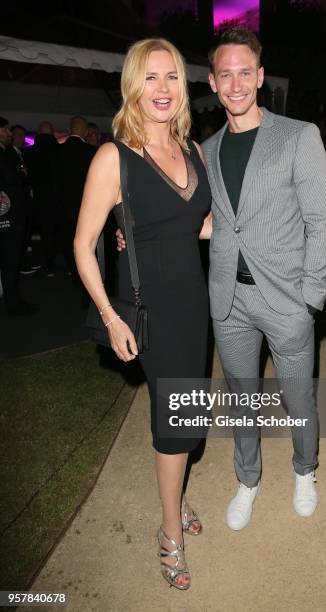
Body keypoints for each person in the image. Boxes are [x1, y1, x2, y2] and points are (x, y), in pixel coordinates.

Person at [116, 27, 326, 526]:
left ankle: (305, 468)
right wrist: (135, 234)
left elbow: (323, 221)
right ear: (212, 83)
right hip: (228, 300)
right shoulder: (203, 151)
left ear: (259, 77)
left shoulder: (299, 136)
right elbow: (195, 220)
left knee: (297, 394)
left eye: (244, 72)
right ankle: (248, 479)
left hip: (287, 301)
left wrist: (312, 298)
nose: (235, 84)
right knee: (241, 398)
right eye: (224, 75)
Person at [74, 38, 212, 590]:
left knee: (188, 414)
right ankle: (169, 533)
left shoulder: (193, 151)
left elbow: (195, 226)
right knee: (176, 422)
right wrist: (111, 317)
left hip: (194, 305)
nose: (162, 89)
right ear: (133, 85)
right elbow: (83, 245)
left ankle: (176, 496)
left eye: (172, 77)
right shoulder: (114, 156)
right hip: (150, 312)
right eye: (151, 78)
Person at [0, 117, 36, 315]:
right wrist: (22, 174)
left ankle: (14, 301)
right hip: (8, 218)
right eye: (5, 129)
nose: (9, 133)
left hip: (7, 216)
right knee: (10, 262)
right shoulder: (4, 156)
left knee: (10, 262)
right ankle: (13, 305)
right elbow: (12, 181)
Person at [56, 116, 95, 274]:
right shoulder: (92, 152)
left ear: (69, 130)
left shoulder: (57, 151)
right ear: (85, 132)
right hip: (86, 207)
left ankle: (74, 272)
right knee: (87, 244)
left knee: (69, 242)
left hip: (63, 207)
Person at [25, 121, 59, 276]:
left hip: (34, 199)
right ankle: (52, 265)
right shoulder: (60, 151)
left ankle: (37, 262)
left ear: (38, 133)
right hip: (56, 200)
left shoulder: (28, 153)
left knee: (34, 234)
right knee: (53, 234)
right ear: (52, 133)